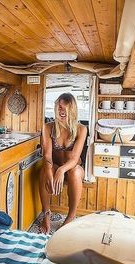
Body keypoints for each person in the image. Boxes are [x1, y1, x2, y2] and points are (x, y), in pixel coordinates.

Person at [39, 93, 87, 234]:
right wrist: (50, 172)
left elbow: (74, 159)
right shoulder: (48, 127)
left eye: (66, 108)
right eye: (59, 107)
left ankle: (71, 216)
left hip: (72, 167)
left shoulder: (81, 129)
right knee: (44, 170)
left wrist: (61, 171)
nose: (62, 111)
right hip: (55, 164)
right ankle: (46, 214)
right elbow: (47, 156)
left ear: (72, 110)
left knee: (75, 171)